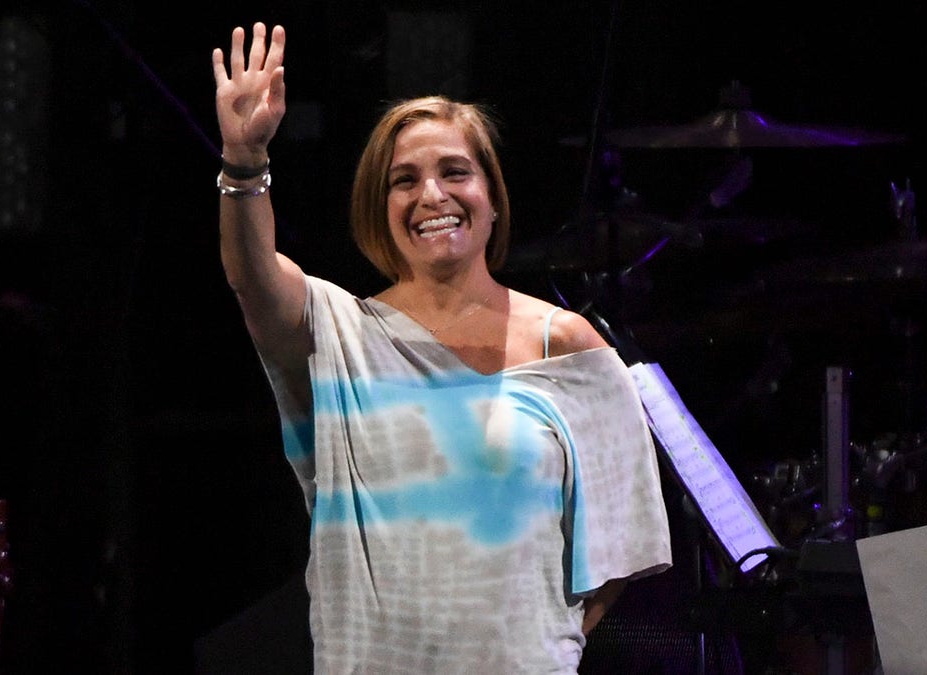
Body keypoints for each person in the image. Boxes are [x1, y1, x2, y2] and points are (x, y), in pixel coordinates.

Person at [212, 21, 672, 673]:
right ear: (381, 205)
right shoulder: (342, 331)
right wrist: (245, 159)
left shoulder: (567, 346)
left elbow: (616, 556)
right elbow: (251, 274)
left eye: (455, 172)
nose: (431, 195)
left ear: (490, 199)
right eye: (404, 180)